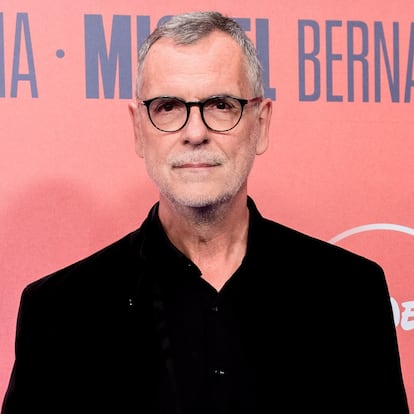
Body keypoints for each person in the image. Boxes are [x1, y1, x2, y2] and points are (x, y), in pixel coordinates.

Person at [1, 10, 409, 414]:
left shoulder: (349, 294)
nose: (195, 133)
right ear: (138, 128)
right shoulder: (59, 311)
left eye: (220, 105)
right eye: (168, 107)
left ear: (261, 123)